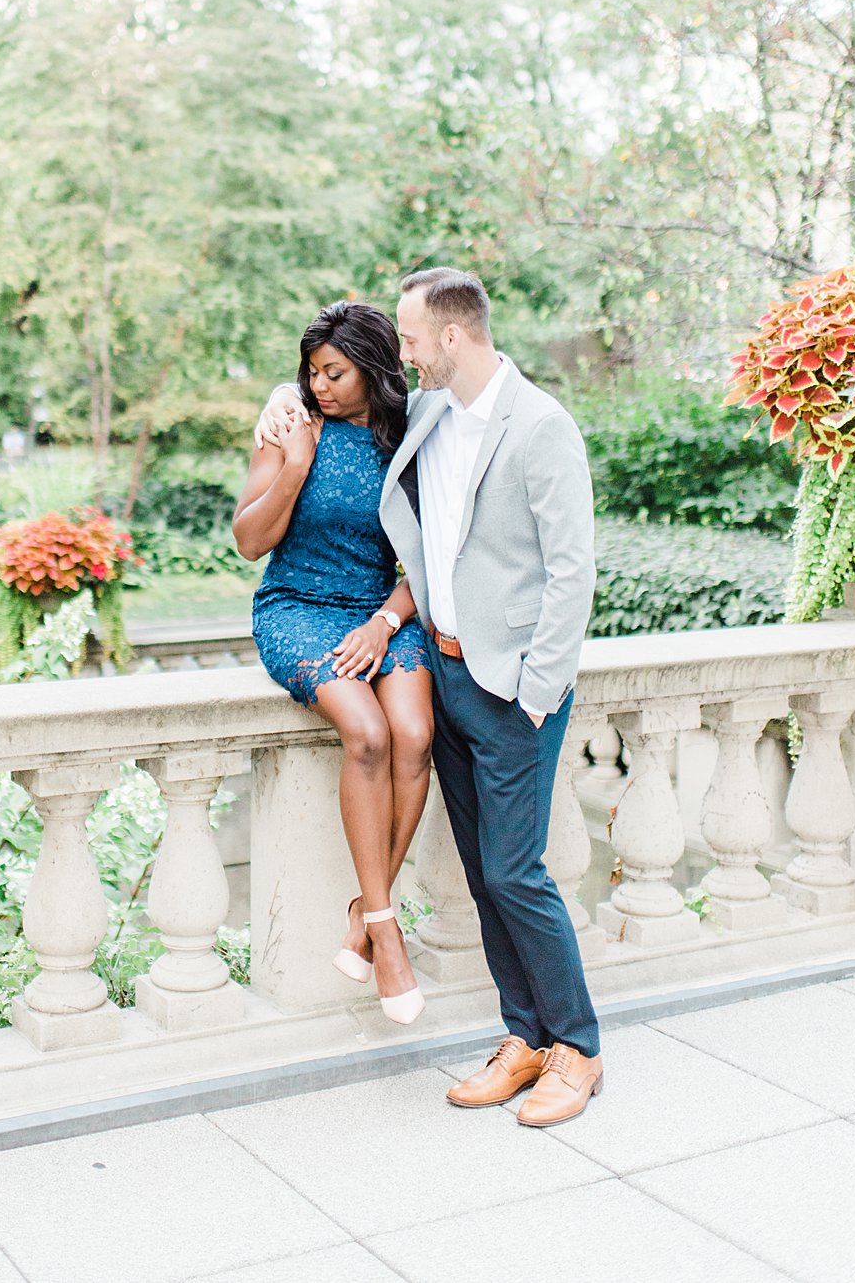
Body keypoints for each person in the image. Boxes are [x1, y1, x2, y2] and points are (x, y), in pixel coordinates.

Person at [258, 267, 601, 1126]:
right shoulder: (431, 416)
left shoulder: (541, 426)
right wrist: (280, 403)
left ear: (451, 337)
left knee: (518, 872)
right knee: (486, 876)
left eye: (411, 339)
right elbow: (335, 409)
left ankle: (579, 1049)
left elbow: (573, 571)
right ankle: (524, 1037)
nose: (402, 356)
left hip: (514, 683)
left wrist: (537, 689)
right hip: (442, 669)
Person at [234, 301, 433, 1024]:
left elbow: (436, 559)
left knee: (415, 733)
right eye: (311, 372)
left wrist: (385, 623)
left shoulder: (411, 437)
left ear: (374, 370)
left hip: (385, 611)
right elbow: (249, 542)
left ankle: (362, 908)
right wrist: (295, 466)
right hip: (297, 608)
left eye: (335, 372)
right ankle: (385, 927)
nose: (318, 385)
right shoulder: (292, 425)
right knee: (370, 734)